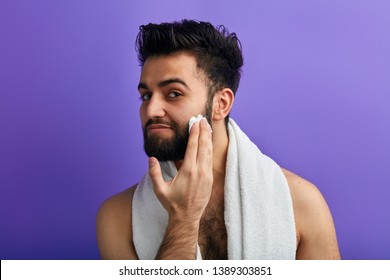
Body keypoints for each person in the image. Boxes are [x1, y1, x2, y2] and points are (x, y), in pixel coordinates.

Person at [96, 19, 340, 260]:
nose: (151, 111)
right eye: (146, 96)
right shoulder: (118, 218)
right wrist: (184, 217)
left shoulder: (301, 203)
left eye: (173, 93)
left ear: (220, 104)